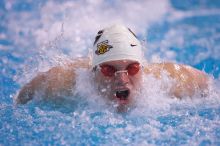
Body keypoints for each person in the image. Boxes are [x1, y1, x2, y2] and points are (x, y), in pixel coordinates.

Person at [15, 24, 208, 109]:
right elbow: (21, 99)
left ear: (142, 67)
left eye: (132, 68)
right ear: (94, 71)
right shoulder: (61, 83)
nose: (122, 79)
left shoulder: (172, 79)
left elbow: (207, 84)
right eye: (108, 70)